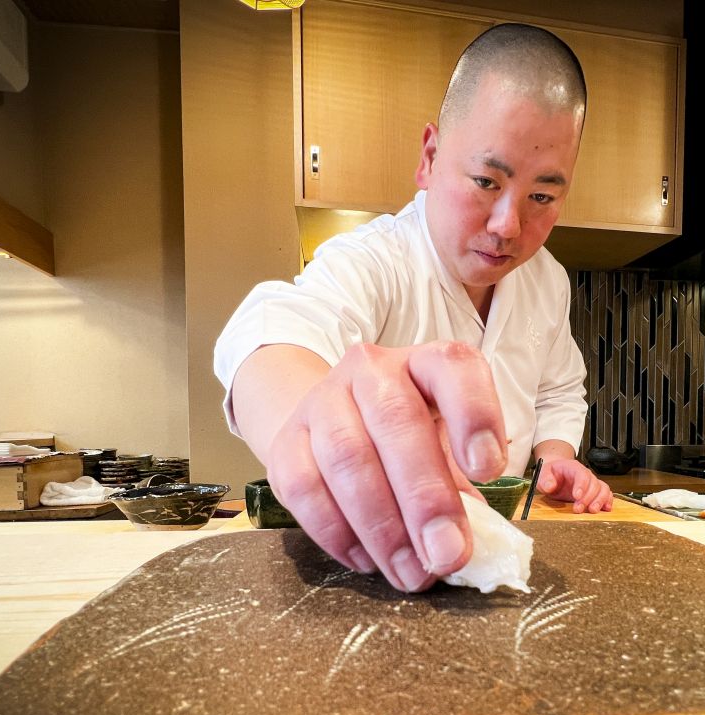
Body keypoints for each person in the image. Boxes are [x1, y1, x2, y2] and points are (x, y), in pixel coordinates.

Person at [214, 23, 613, 594]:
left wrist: (554, 456)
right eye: (484, 180)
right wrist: (312, 416)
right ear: (429, 158)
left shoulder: (547, 279)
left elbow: (557, 390)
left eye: (543, 197)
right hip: (379, 571)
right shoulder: (376, 261)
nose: (508, 226)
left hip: (505, 566)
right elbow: (271, 336)